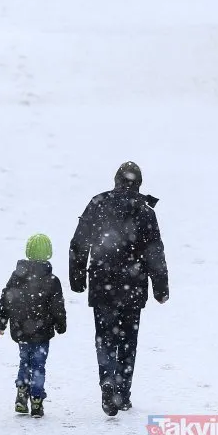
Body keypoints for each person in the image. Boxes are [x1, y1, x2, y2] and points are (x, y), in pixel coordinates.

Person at [69, 161, 169, 416]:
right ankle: (122, 392)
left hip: (102, 283)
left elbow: (79, 243)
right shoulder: (146, 212)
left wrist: (78, 278)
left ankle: (107, 380)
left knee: (104, 337)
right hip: (133, 287)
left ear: (116, 181)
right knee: (128, 340)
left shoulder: (98, 203)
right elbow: (155, 253)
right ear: (138, 184)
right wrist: (160, 287)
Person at [0, 233, 67, 418]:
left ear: (28, 252)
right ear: (49, 253)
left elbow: (7, 298)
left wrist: (1, 321)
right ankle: (36, 399)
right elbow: (57, 306)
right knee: (39, 365)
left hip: (21, 328)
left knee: (24, 361)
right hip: (42, 330)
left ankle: (21, 392)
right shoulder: (52, 281)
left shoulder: (17, 275)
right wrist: (60, 324)